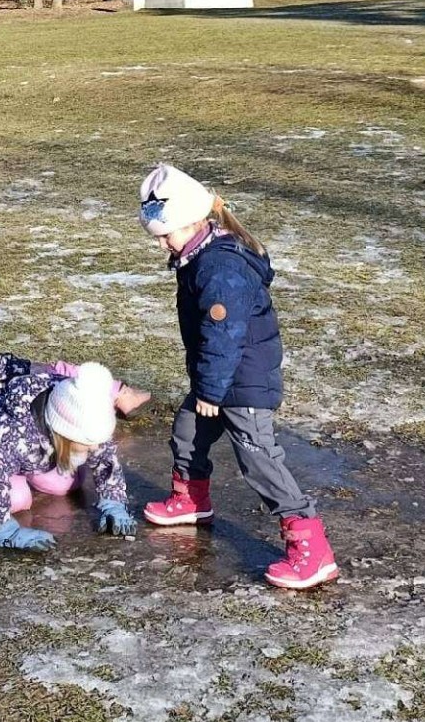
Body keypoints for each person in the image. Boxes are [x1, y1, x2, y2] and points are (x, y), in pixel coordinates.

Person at [138, 163, 339, 590]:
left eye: (166, 235)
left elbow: (224, 333)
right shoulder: (199, 256)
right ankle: (191, 500)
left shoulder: (220, 268)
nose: (161, 245)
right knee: (188, 430)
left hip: (242, 382)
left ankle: (310, 545)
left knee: (259, 459)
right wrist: (207, 387)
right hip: (220, 376)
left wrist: (211, 390)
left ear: (193, 221)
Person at [0, 349, 142, 550]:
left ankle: (27, 470)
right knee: (17, 499)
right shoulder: (11, 432)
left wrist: (113, 501)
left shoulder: (79, 405)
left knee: (68, 482)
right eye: (88, 441)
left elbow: (104, 455)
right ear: (65, 432)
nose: (95, 447)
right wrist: (4, 529)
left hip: (35, 451)